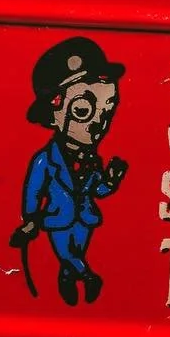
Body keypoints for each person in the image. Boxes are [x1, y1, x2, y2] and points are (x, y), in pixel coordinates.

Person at [11, 37, 128, 306]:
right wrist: (30, 219)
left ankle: (67, 281)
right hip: (56, 219)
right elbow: (33, 190)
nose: (99, 123)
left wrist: (111, 181)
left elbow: (97, 189)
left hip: (84, 219)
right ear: (53, 114)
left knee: (74, 253)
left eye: (108, 110)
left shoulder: (92, 159)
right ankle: (88, 277)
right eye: (83, 110)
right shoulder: (45, 159)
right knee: (67, 253)